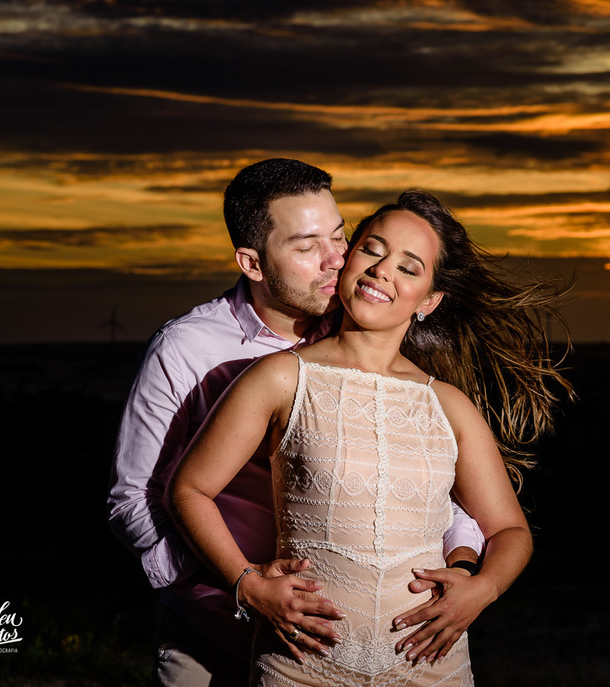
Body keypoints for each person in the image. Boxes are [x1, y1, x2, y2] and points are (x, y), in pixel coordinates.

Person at [169, 189, 571, 686]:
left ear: (429, 300)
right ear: (348, 260)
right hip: (301, 667)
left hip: (430, 670)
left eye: (409, 266)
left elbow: (511, 532)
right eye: (373, 250)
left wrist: (482, 587)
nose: (383, 270)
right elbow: (189, 490)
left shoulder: (449, 405)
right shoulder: (278, 377)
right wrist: (247, 583)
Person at [108, 161, 484, 687]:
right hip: (215, 632)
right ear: (252, 262)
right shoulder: (187, 349)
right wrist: (242, 585)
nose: (337, 260)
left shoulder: (373, 325)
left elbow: (431, 471)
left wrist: (463, 563)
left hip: (365, 643)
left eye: (340, 236)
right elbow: (134, 503)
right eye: (308, 248)